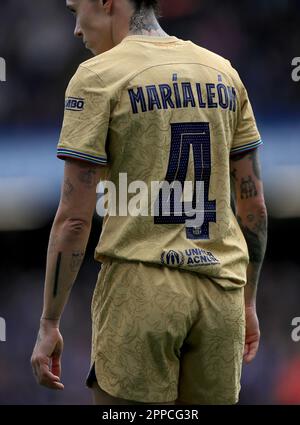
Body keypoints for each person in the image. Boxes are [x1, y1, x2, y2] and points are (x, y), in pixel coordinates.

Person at [31, 0, 268, 405]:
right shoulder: (223, 72)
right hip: (221, 292)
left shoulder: (97, 76)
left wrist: (49, 321)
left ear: (107, 2)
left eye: (75, 11)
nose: (76, 29)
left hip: (139, 290)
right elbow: (254, 208)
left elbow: (74, 219)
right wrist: (247, 301)